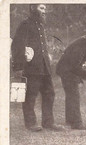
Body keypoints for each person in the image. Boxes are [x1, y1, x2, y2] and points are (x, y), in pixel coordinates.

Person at [11, 4, 64, 132]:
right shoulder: (25, 24)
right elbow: (17, 45)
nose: (44, 11)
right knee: (31, 95)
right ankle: (31, 124)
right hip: (32, 67)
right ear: (33, 9)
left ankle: (48, 123)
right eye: (41, 8)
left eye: (45, 9)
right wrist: (18, 67)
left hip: (44, 67)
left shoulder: (41, 26)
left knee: (49, 93)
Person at [56, 24, 86, 130]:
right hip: (66, 70)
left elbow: (77, 64)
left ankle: (70, 121)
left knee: (71, 94)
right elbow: (73, 66)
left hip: (70, 69)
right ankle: (76, 123)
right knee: (74, 95)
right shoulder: (81, 44)